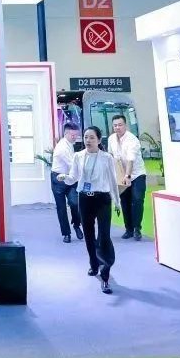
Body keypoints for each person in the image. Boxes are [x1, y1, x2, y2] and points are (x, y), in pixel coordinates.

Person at [57, 126, 121, 294]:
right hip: (85, 198)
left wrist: (117, 201)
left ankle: (105, 274)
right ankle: (94, 263)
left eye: (92, 137)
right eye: (86, 137)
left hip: (103, 199)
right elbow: (73, 178)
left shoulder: (107, 158)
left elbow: (112, 180)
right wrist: (64, 177)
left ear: (99, 140)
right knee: (89, 235)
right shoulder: (78, 156)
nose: (88, 140)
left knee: (104, 236)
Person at [109, 115, 146, 241]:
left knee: (137, 200)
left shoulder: (132, 140)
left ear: (125, 125)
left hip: (136, 174)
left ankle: (137, 228)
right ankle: (128, 229)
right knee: (124, 201)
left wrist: (127, 176)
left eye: (120, 125)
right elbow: (111, 156)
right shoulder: (111, 139)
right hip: (121, 174)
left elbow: (130, 160)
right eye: (115, 125)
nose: (117, 127)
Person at [50, 121, 83, 243]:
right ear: (66, 134)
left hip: (70, 178)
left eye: (76, 135)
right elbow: (72, 165)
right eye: (73, 135)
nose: (75, 137)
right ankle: (66, 234)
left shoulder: (70, 144)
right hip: (58, 179)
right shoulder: (62, 148)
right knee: (61, 208)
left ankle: (76, 225)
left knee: (75, 203)